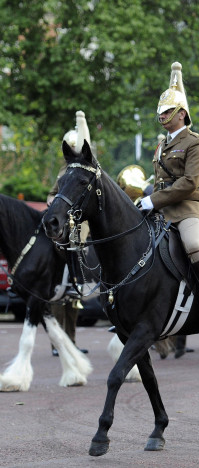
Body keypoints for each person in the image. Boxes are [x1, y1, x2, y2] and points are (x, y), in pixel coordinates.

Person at [139, 61, 199, 332]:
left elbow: (190, 183)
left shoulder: (195, 142)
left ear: (181, 113)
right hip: (162, 210)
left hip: (187, 208)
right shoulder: (161, 146)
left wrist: (153, 201)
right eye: (160, 112)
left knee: (193, 246)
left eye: (167, 111)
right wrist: (145, 200)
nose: (162, 116)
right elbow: (160, 182)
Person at [48, 111, 92, 356]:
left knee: (80, 237)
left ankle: (79, 276)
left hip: (77, 220)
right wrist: (51, 204)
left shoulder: (81, 168)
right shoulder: (63, 172)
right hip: (63, 218)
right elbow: (53, 193)